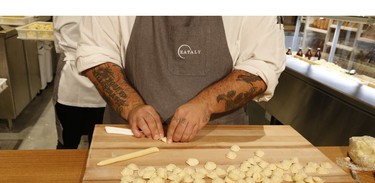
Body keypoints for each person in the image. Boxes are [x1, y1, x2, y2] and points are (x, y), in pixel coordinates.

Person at [76, 16, 285, 143]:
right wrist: (132, 107)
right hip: (132, 136)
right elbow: (97, 53)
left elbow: (263, 63)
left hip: (218, 139)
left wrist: (206, 104)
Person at [53, 16, 106, 149]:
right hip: (104, 82)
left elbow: (59, 45)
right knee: (98, 143)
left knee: (68, 141)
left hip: (70, 83)